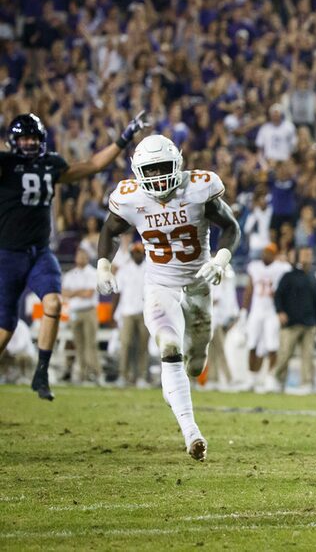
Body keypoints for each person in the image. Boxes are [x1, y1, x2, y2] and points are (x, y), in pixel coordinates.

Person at [96, 134, 241, 461]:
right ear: (138, 171)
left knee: (196, 357)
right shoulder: (131, 197)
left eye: (164, 167)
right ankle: (191, 432)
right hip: (160, 285)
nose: (159, 175)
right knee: (169, 347)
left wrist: (220, 259)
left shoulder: (198, 188)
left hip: (199, 282)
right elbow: (110, 230)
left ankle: (177, 385)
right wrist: (104, 265)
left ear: (177, 164)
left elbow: (231, 226)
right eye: (152, 169)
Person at [0, 111, 148, 400]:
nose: (30, 143)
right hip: (8, 255)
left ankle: (41, 373)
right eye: (25, 137)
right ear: (14, 141)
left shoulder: (49, 163)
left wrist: (125, 137)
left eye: (34, 137)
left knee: (54, 304)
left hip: (41, 252)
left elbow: (92, 165)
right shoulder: (5, 164)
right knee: (5, 328)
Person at [240, 242, 291, 392]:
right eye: (265, 252)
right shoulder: (254, 266)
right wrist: (244, 310)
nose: (266, 255)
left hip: (271, 312)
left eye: (270, 253)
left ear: (274, 255)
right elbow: (249, 289)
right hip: (256, 311)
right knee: (252, 344)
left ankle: (270, 378)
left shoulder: (281, 268)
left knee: (272, 346)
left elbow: (289, 272)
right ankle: (251, 378)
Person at [273, 246, 316, 393]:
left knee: (308, 355)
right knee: (284, 354)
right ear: (298, 257)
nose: (308, 258)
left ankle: (307, 383)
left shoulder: (313, 277)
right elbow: (278, 295)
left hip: (309, 323)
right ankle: (278, 380)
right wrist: (280, 311)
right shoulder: (288, 276)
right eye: (305, 255)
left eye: (310, 255)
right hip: (291, 323)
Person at [112, 242, 150, 386]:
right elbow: (117, 293)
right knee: (125, 344)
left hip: (145, 312)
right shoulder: (124, 270)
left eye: (139, 252)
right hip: (127, 311)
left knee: (142, 346)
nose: (137, 254)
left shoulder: (150, 269)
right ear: (131, 254)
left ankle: (141, 376)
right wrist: (113, 312)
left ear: (143, 253)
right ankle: (123, 375)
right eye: (135, 252)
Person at [62, 248, 101, 384]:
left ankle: (95, 373)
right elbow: (64, 293)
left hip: (89, 311)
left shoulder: (93, 272)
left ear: (87, 258)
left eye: (83, 256)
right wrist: (79, 291)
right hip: (75, 312)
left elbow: (89, 293)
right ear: (75, 258)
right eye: (79, 256)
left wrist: (73, 292)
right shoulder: (70, 274)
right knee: (78, 345)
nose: (81, 259)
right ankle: (83, 374)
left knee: (91, 344)